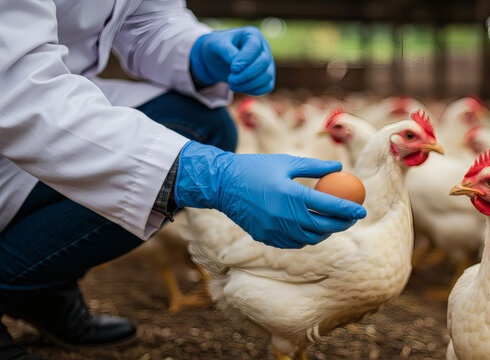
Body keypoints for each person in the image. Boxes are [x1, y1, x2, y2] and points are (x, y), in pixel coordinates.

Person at [0, 1, 366, 359]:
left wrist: (198, 51)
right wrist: (207, 175)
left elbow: (144, 17)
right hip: (20, 94)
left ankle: (39, 282)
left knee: (203, 126)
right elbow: (14, 89)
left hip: (51, 93)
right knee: (186, 151)